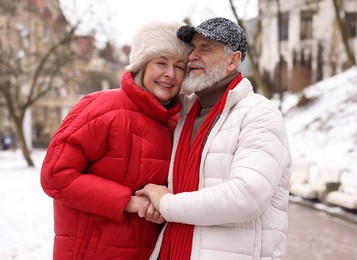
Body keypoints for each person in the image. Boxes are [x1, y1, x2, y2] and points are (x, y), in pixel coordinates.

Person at [136, 17, 292, 260]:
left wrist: (166, 204)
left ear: (234, 60)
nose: (192, 57)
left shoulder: (259, 113)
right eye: (193, 48)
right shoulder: (185, 114)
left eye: (205, 49)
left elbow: (246, 197)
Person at [40, 21, 191, 260]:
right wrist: (127, 201)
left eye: (179, 66)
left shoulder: (177, 124)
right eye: (161, 62)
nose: (170, 74)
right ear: (141, 65)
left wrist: (159, 205)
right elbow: (55, 175)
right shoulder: (103, 108)